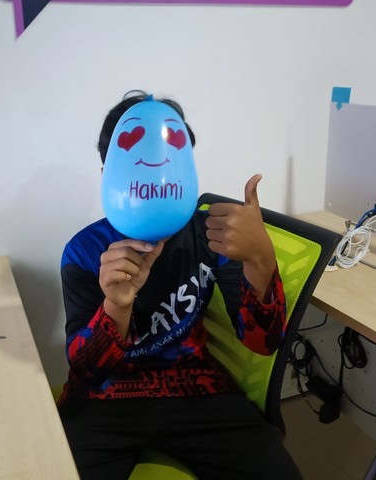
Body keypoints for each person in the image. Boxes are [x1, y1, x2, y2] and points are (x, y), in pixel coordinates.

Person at [57, 90, 303, 480]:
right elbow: (86, 369)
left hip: (197, 391)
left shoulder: (213, 236)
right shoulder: (84, 251)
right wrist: (116, 307)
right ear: (108, 176)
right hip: (104, 398)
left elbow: (264, 342)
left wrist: (260, 257)